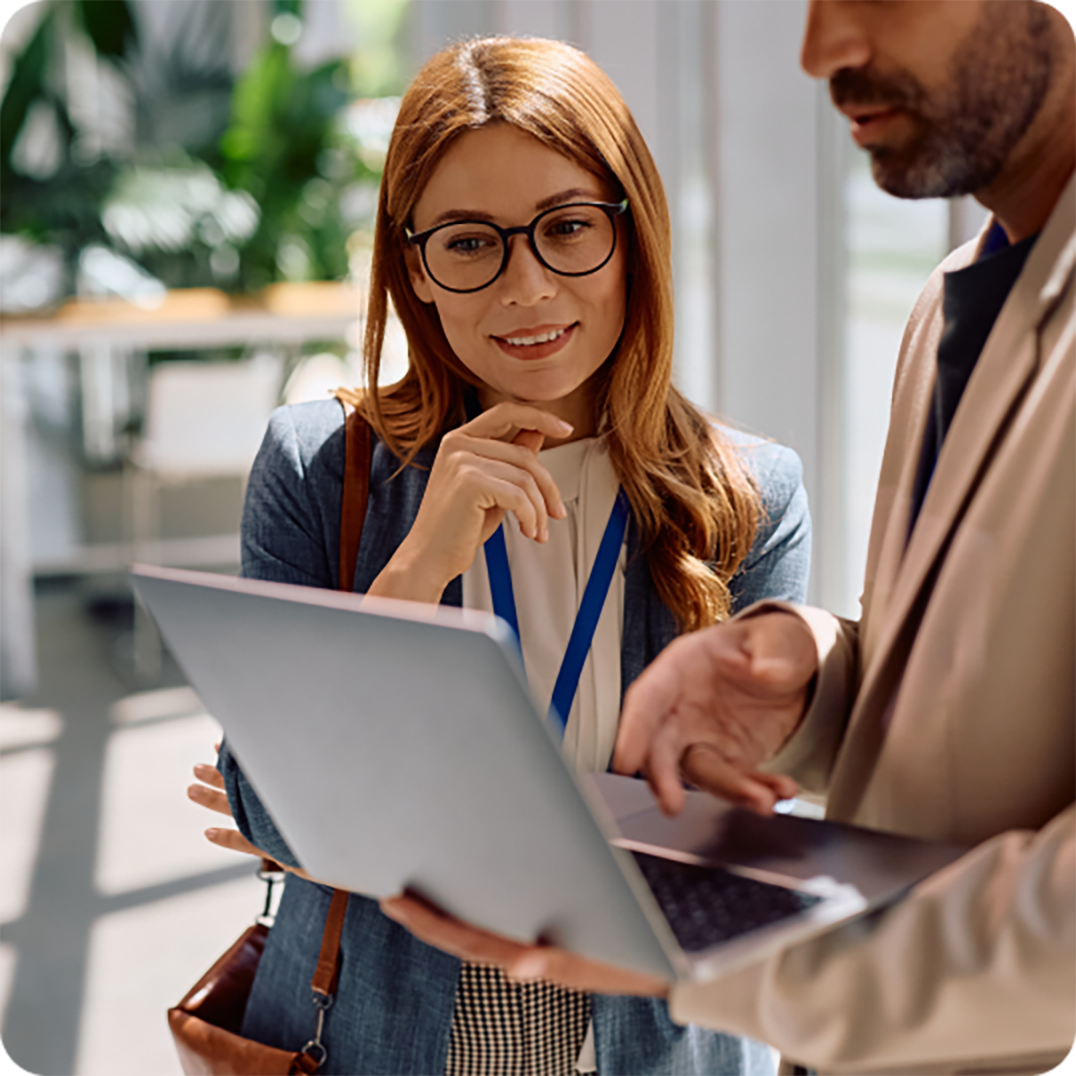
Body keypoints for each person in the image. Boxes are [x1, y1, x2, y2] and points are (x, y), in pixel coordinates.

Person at [380, 1, 1076, 1073]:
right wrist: (815, 674)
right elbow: (986, 707)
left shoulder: (748, 485)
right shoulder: (950, 307)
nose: (820, 50)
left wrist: (740, 953)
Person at [191, 35, 811, 1076]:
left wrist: (394, 806)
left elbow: (731, 845)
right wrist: (412, 572)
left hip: (647, 1035)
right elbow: (274, 810)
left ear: (631, 240)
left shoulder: (747, 494)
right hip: (375, 1030)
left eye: (567, 228)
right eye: (470, 242)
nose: (526, 286)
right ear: (415, 268)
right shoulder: (315, 467)